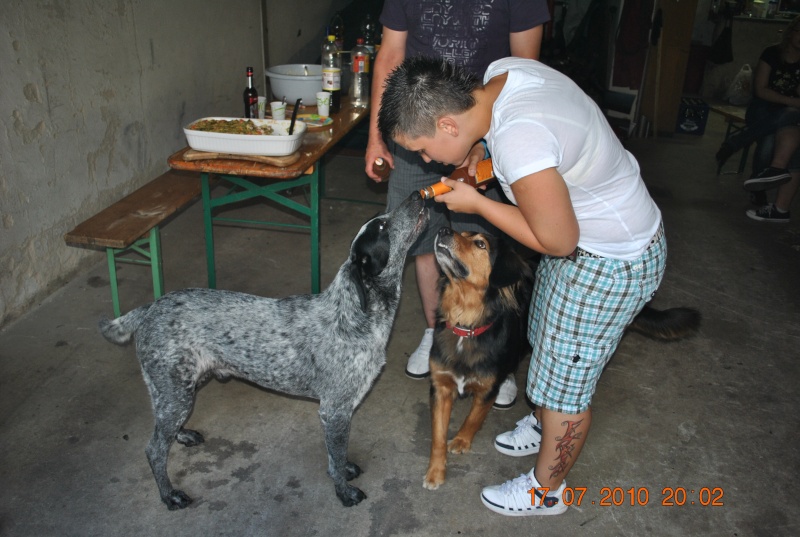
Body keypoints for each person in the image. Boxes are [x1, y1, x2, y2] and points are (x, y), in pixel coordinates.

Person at [378, 56, 666, 515]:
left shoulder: (520, 139)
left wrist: (476, 201)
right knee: (546, 344)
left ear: (448, 124)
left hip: (609, 259)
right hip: (587, 241)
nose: (427, 161)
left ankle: (545, 490)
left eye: (425, 150)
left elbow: (557, 239)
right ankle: (542, 420)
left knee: (567, 386)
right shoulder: (501, 77)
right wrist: (480, 156)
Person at [364, 0, 551, 408]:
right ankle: (440, 334)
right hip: (418, 129)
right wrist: (377, 137)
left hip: (483, 128)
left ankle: (498, 355)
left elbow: (524, 68)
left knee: (491, 246)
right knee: (423, 237)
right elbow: (391, 55)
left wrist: (483, 143)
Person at [716, 15, 800, 198]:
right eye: (799, 31)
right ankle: (758, 186)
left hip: (788, 114)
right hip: (763, 108)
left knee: (785, 120)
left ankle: (737, 143)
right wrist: (791, 101)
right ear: (790, 32)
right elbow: (761, 90)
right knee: (771, 134)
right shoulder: (772, 53)